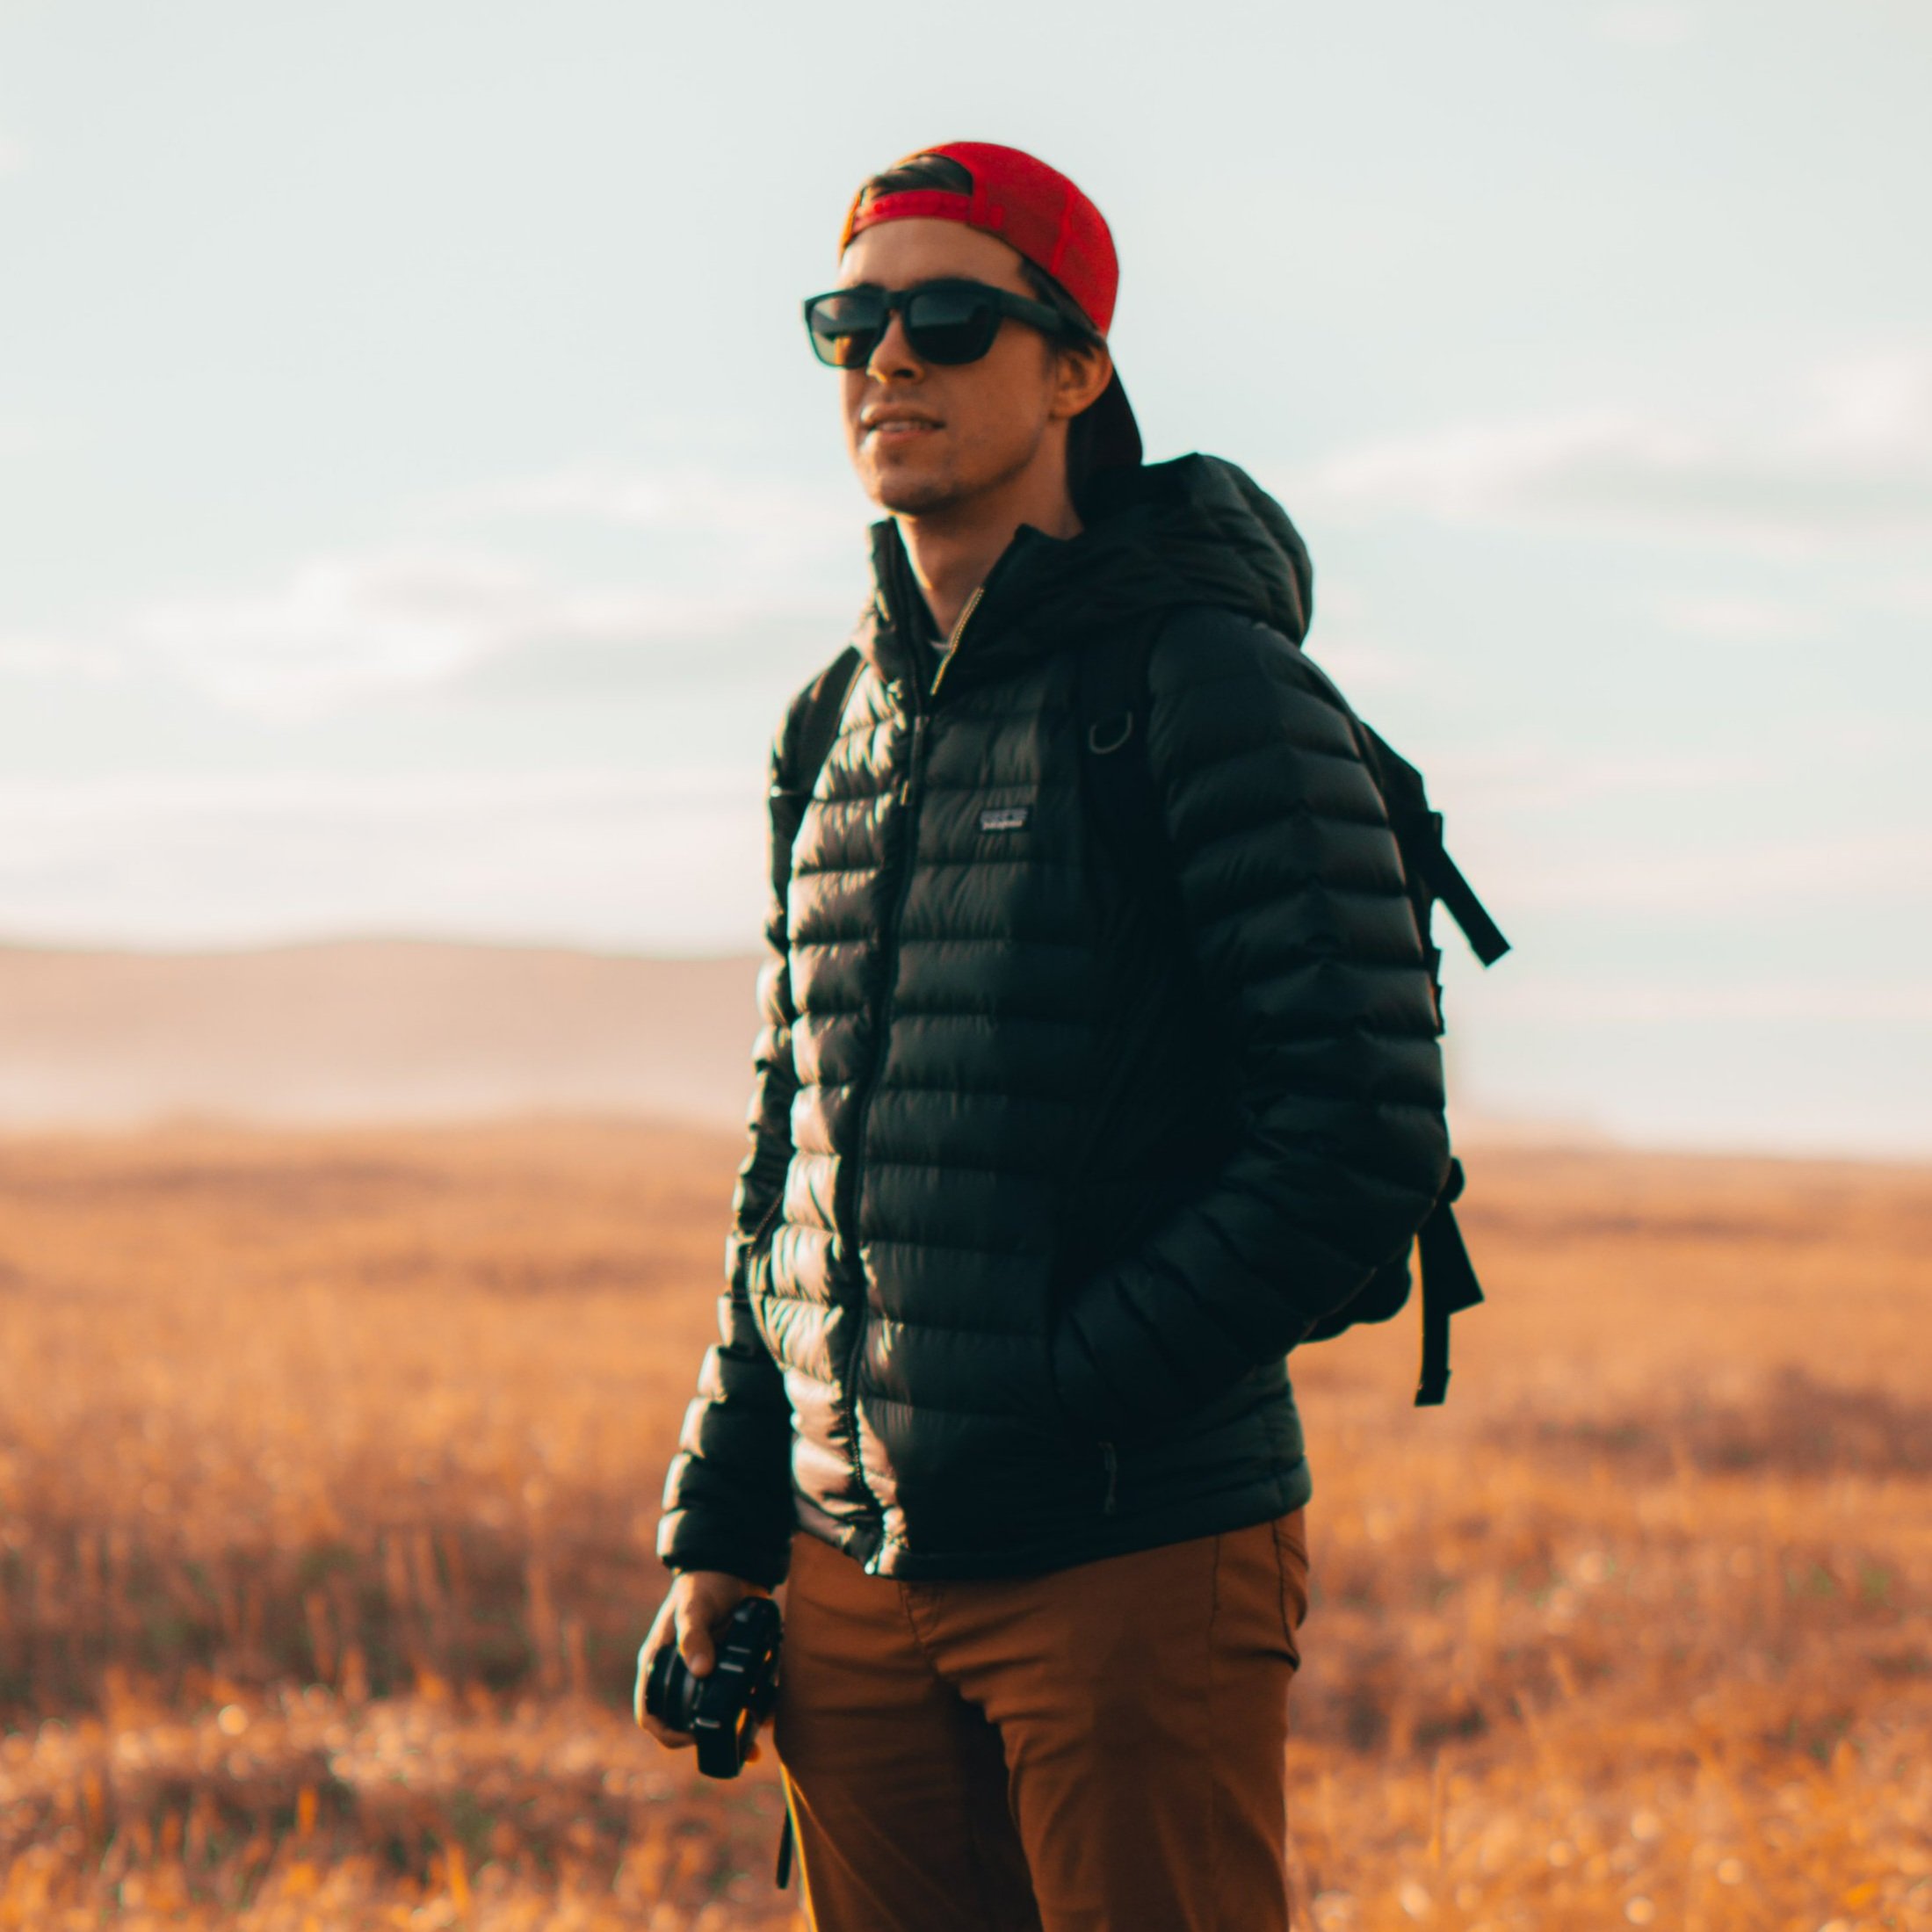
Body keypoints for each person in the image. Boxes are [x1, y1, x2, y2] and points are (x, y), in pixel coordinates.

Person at [637, 141, 1450, 1932]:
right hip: (844, 1567)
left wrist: (1053, 1387)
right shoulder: (826, 720)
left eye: (946, 318)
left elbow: (1356, 1147)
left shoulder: (1207, 686)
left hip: (1127, 1548)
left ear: (1074, 366)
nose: (886, 363)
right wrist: (725, 1506)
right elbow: (797, 1139)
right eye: (847, 323)